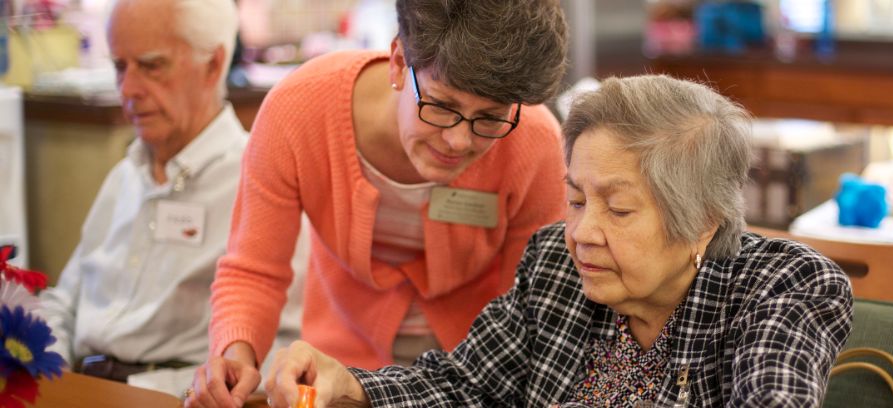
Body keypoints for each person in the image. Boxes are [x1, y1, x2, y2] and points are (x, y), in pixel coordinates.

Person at [262, 75, 854, 408]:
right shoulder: (553, 263)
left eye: (618, 208)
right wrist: (350, 386)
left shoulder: (781, 284)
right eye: (575, 199)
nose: (581, 233)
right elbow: (466, 385)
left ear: (702, 220)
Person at [185, 0, 570, 406]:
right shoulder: (300, 109)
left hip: (470, 383)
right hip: (336, 372)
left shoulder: (534, 143)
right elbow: (254, 271)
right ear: (399, 63)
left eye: (489, 118)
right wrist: (235, 360)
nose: (460, 141)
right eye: (441, 106)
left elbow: (533, 311)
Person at [37, 0, 306, 390]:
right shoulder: (126, 175)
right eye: (119, 66)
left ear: (213, 65)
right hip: (76, 385)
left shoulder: (261, 182)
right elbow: (65, 302)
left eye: (151, 66)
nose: (127, 89)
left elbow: (283, 352)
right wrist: (47, 367)